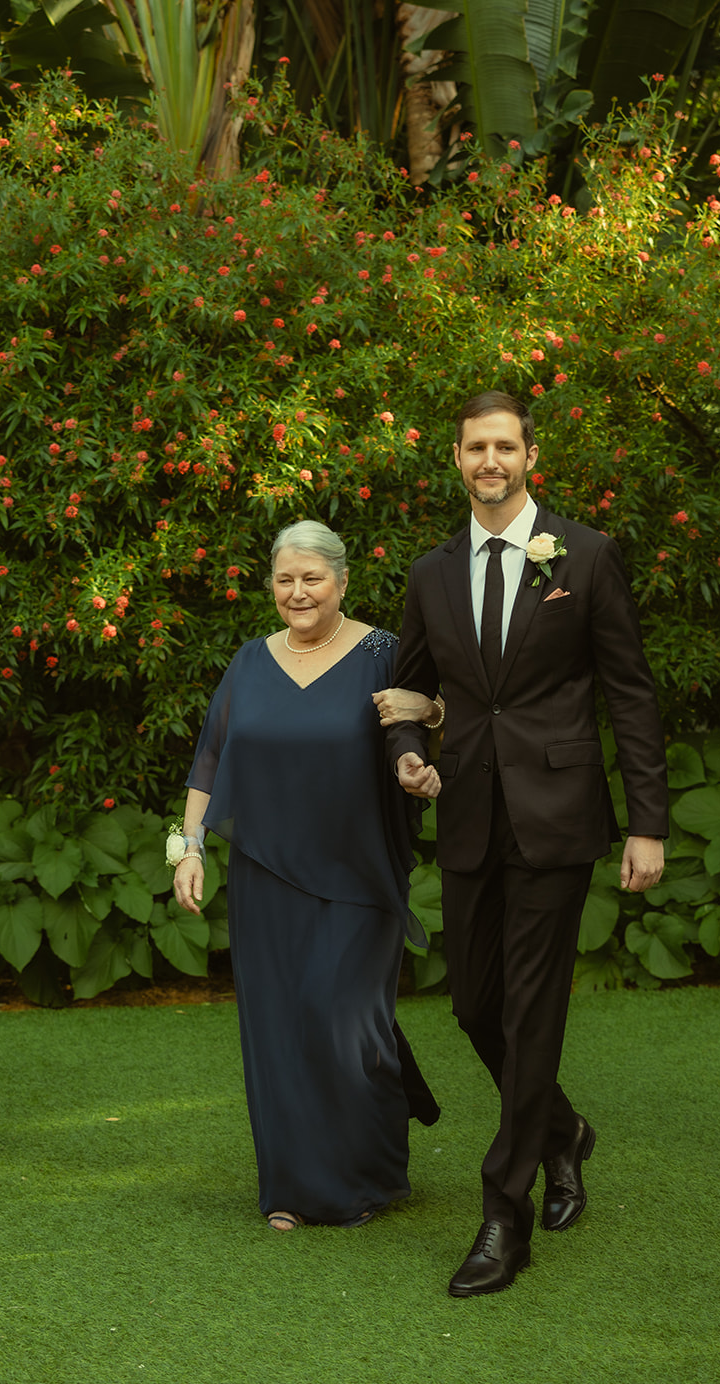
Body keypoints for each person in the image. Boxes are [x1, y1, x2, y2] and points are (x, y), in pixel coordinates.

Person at [383, 390, 669, 1296]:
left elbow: (629, 691)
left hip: (557, 818)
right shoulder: (432, 573)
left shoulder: (583, 556)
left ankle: (503, 1216)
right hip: (469, 813)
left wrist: (646, 821)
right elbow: (404, 695)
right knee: (474, 1005)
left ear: (530, 457)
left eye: (505, 446)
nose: (490, 461)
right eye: (476, 448)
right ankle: (562, 1131)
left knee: (534, 1010)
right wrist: (407, 758)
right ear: (458, 460)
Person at [173, 520, 440, 1230]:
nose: (298, 592)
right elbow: (209, 762)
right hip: (266, 878)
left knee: (341, 1017)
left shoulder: (382, 651)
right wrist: (190, 848)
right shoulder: (249, 662)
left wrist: (424, 746)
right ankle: (293, 1189)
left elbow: (431, 713)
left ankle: (371, 1168)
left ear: (342, 582)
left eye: (312, 579)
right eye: (285, 580)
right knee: (277, 1028)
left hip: (359, 875)